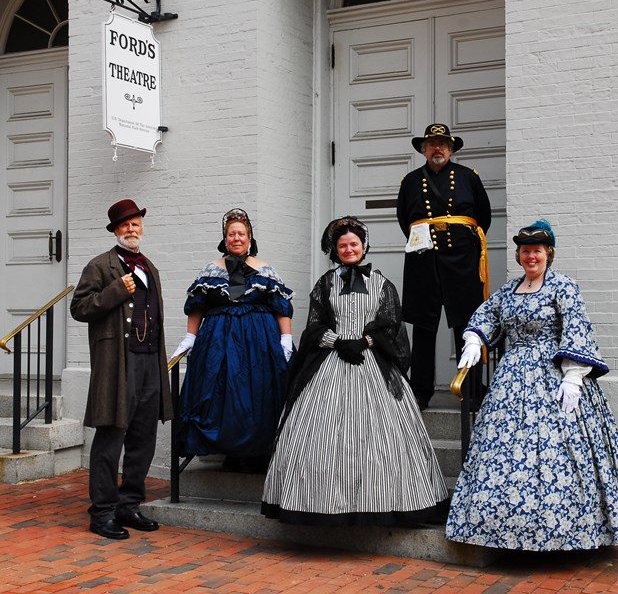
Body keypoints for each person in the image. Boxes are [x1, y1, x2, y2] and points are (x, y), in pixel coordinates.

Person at [446, 219, 618, 550]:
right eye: (525, 251)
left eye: (536, 251)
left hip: (554, 378)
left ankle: (565, 533)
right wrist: (475, 339)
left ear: (548, 253)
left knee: (558, 452)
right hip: (512, 382)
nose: (530, 257)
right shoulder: (509, 289)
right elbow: (487, 314)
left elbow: (575, 328)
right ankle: (502, 530)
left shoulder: (562, 287)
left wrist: (574, 377)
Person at [261, 216, 449, 525]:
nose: (349, 249)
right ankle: (318, 503)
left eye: (354, 244)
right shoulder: (326, 283)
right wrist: (338, 342)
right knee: (321, 437)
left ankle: (386, 503)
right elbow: (314, 327)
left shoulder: (381, 284)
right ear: (335, 250)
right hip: (331, 364)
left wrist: (365, 341)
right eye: (343, 245)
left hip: (372, 361)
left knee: (382, 440)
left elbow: (392, 326)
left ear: (363, 246)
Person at [70, 199, 173, 540]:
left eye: (136, 223)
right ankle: (102, 512)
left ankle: (129, 505)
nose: (132, 228)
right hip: (118, 362)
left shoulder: (150, 267)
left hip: (149, 362)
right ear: (115, 230)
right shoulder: (100, 266)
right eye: (125, 224)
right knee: (111, 437)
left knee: (143, 436)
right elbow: (79, 308)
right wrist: (116, 291)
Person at [172, 208, 294, 473]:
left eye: (241, 234)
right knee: (221, 395)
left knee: (256, 394)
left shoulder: (264, 269)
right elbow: (197, 306)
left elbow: (281, 307)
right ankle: (229, 451)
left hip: (259, 343)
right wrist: (190, 337)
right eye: (231, 234)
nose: (236, 238)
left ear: (249, 238)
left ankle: (258, 453)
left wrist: (286, 338)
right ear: (225, 238)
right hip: (218, 342)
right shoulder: (211, 270)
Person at [396, 123, 491, 409]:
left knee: (466, 325)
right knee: (424, 327)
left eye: (443, 144)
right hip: (423, 260)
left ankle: (472, 389)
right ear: (424, 149)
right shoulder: (410, 181)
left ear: (451, 149)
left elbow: (483, 217)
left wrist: (462, 243)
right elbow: (405, 220)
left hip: (461, 260)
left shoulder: (468, 177)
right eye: (432, 144)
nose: (438, 148)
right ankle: (420, 391)